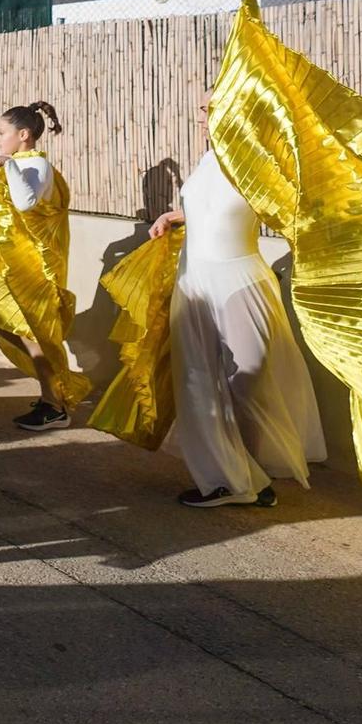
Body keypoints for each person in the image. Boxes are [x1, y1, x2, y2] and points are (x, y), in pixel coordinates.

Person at [145, 94, 325, 508]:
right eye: (204, 109)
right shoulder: (209, 159)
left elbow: (297, 209)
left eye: (213, 109)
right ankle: (225, 480)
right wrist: (176, 215)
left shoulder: (259, 163)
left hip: (240, 279)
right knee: (197, 384)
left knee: (249, 381)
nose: (204, 117)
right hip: (193, 280)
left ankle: (250, 472)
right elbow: (212, 206)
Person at [0, 100, 87, 431]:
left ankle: (54, 404)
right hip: (19, 263)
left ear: (23, 134)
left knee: (29, 332)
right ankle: (51, 394)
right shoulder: (20, 163)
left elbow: (25, 202)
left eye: (2, 133)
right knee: (7, 326)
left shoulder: (35, 166)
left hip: (38, 267)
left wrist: (8, 166)